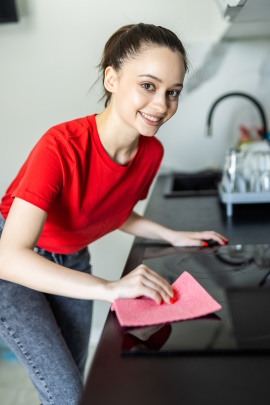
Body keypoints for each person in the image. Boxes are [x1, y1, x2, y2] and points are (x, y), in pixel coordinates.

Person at [0, 23, 227, 405]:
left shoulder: (150, 153)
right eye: (149, 86)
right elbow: (9, 257)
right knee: (67, 393)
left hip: (72, 257)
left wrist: (170, 234)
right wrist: (109, 288)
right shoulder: (60, 147)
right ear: (111, 78)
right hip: (14, 259)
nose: (162, 105)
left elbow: (112, 210)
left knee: (74, 390)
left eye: (173, 92)